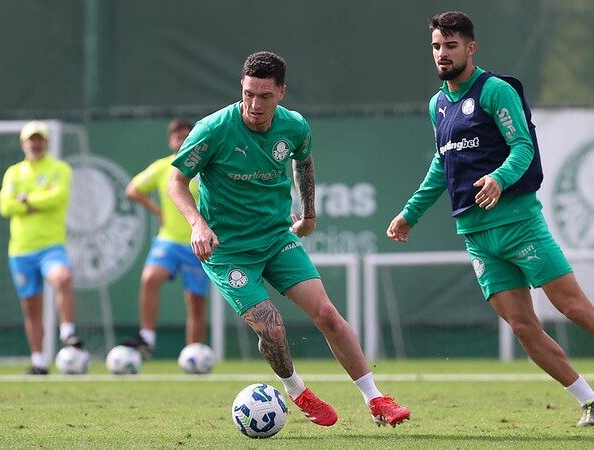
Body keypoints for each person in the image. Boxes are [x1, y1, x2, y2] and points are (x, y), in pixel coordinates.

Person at [386, 11, 594, 426]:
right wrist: (409, 213)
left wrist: (498, 179)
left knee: (573, 307)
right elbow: (443, 165)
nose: (442, 53)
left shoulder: (495, 90)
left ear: (471, 48)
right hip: (476, 235)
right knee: (523, 327)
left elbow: (522, 146)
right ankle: (590, 403)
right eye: (437, 46)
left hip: (518, 224)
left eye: (451, 45)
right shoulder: (437, 105)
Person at [168, 51, 410, 427]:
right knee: (273, 327)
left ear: (282, 92)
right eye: (248, 93)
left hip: (276, 237)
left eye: (265, 96)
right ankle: (296, 390)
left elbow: (304, 161)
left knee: (327, 314)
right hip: (229, 252)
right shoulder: (214, 129)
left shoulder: (294, 126)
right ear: (241, 88)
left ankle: (376, 399)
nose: (254, 104)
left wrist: (309, 214)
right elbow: (176, 181)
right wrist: (198, 224)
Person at [0, 120, 83, 375]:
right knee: (31, 308)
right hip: (21, 250)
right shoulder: (14, 172)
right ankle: (39, 361)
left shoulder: (60, 169)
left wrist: (25, 200)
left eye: (39, 139)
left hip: (50, 246)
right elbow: (5, 206)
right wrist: (34, 202)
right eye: (31, 139)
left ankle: (67, 333)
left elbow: (58, 197)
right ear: (23, 143)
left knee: (63, 277)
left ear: (46, 142)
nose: (35, 143)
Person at [122, 119, 209, 359]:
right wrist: (156, 210)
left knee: (195, 301)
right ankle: (147, 340)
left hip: (198, 243)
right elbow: (132, 190)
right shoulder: (163, 167)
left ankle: (193, 354)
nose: (181, 140)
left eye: (186, 136)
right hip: (169, 240)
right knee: (150, 277)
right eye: (176, 136)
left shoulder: (206, 167)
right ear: (170, 141)